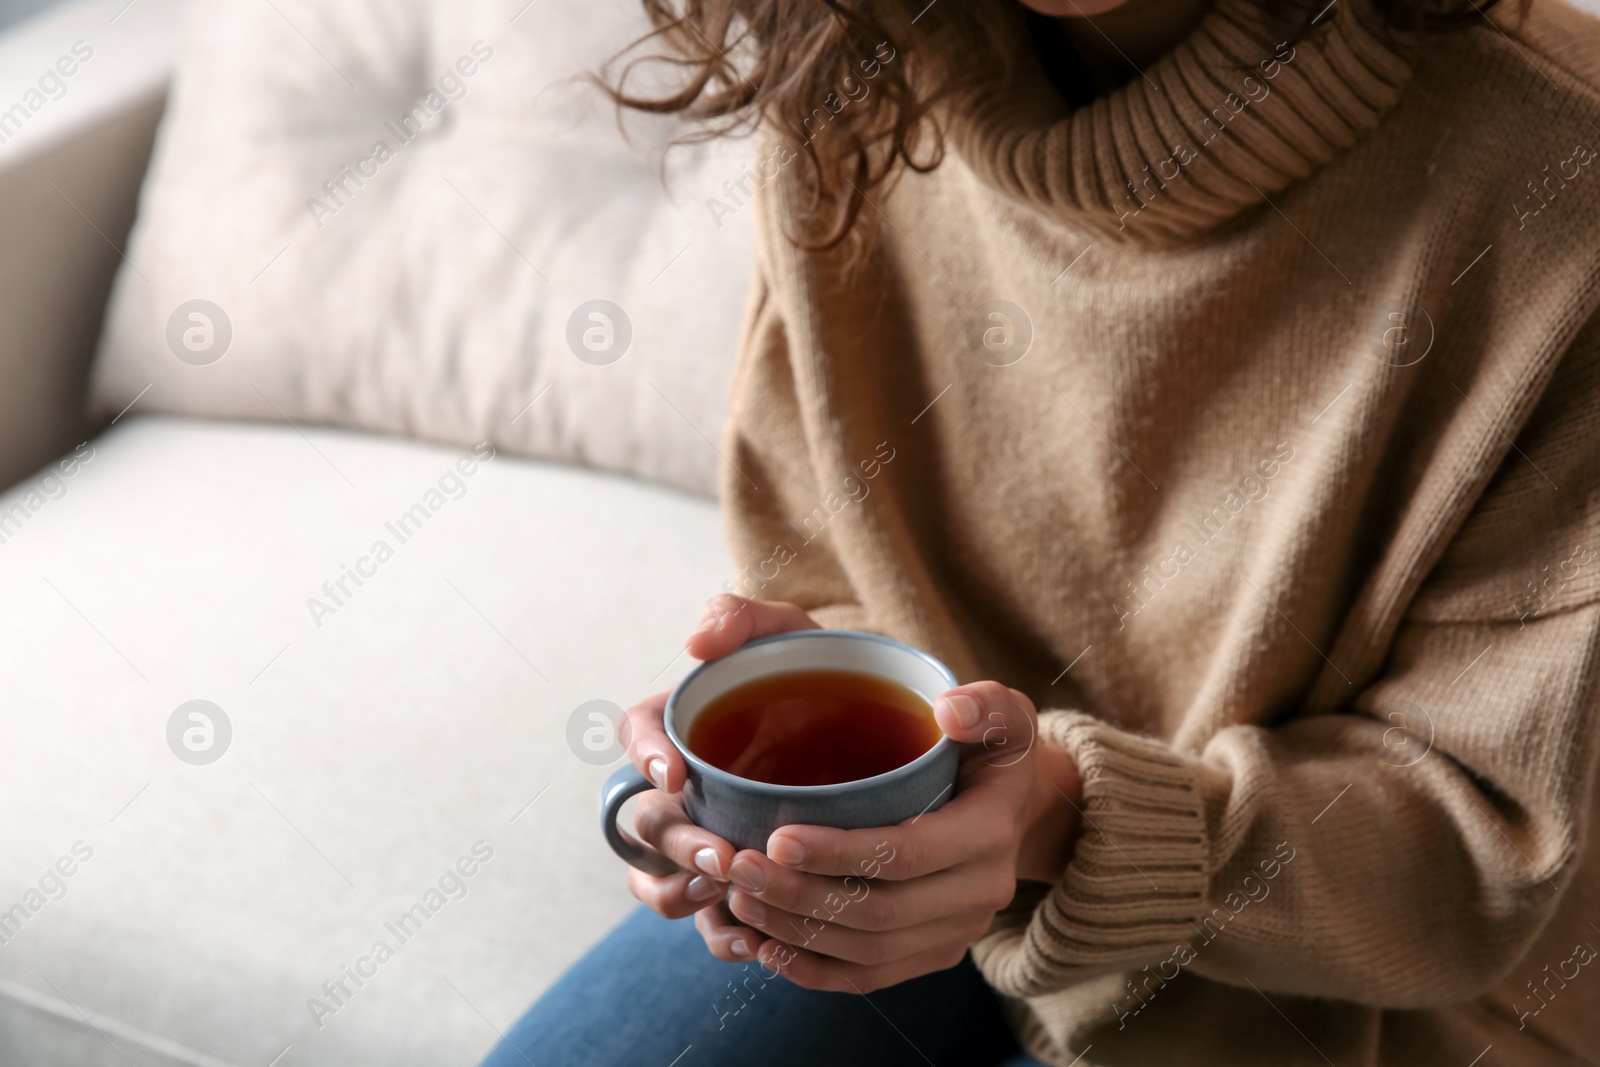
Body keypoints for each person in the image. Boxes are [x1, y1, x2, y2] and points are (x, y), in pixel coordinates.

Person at [484, 0, 1600, 1061]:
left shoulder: (1560, 172)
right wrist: (745, 777)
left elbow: (1473, 863)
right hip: (913, 864)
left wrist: (1066, 817)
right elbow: (819, 559)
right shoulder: (851, 57)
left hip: (1364, 1008)